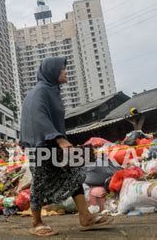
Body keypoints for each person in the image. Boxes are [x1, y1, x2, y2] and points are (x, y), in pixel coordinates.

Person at [20, 57, 113, 236]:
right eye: (62, 70)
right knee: (40, 182)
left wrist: (60, 140)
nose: (65, 72)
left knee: (74, 175)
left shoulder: (51, 91)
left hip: (52, 143)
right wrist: (60, 140)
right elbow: (38, 117)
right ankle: (36, 222)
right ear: (52, 72)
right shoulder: (40, 92)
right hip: (40, 146)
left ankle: (85, 216)